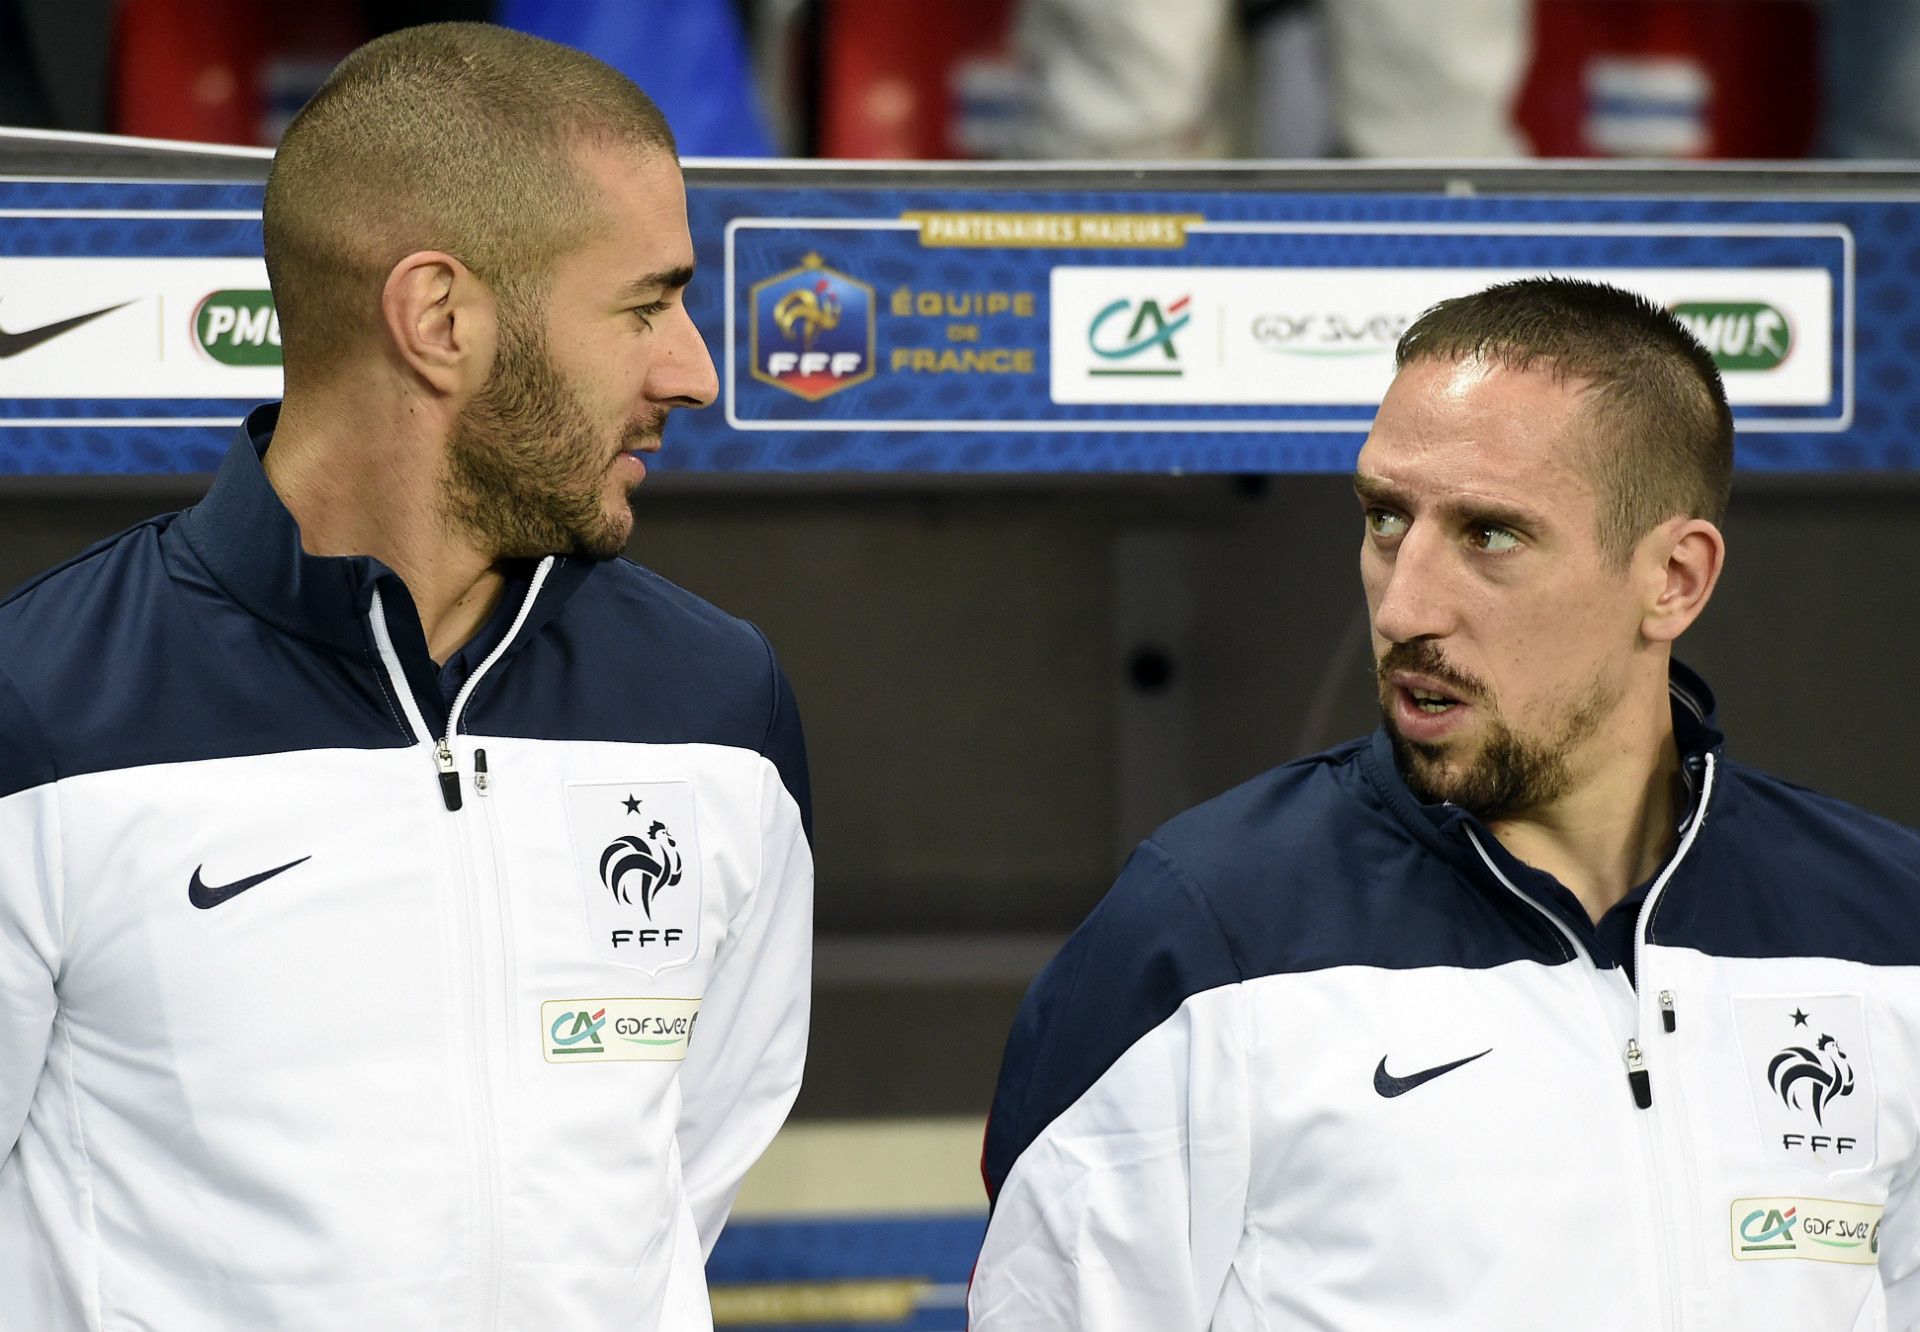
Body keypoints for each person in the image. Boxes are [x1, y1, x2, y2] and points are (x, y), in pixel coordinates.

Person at [0, 23, 812, 1331]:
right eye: (646, 304)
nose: (696, 371)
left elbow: (687, 1162)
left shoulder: (720, 707)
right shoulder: (43, 711)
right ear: (439, 318)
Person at [971, 278, 1920, 1330]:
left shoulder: (1889, 936)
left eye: (1492, 536)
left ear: (1675, 580)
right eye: (1386, 519)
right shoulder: (1201, 940)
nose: (1406, 604)